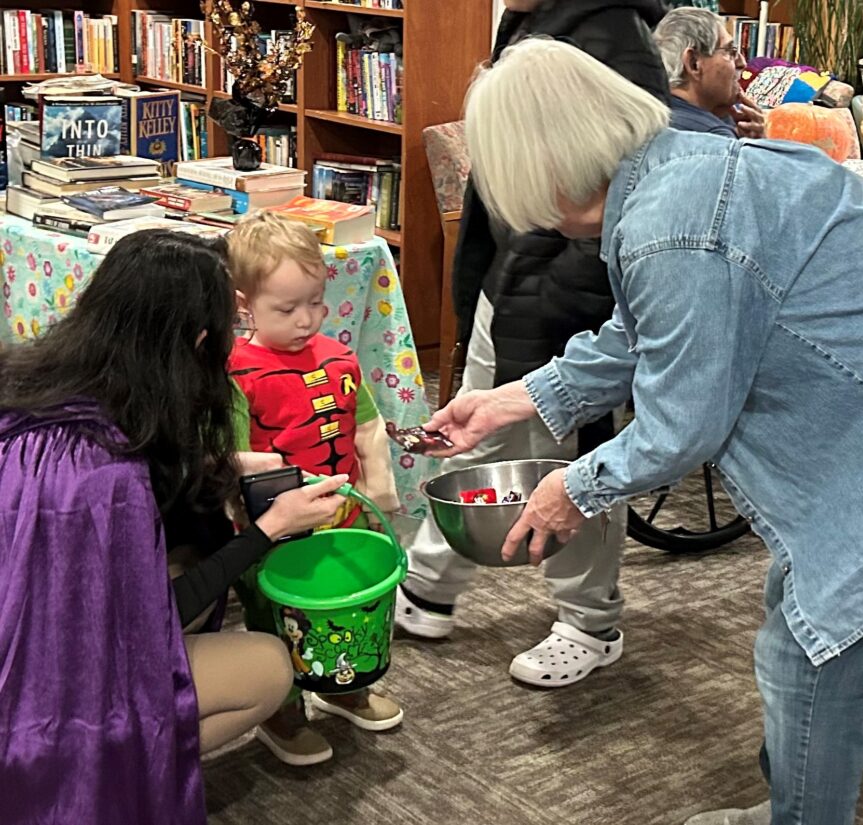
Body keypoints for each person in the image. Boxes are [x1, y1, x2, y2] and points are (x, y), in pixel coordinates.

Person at [428, 38, 863, 825]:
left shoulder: (670, 224)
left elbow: (681, 427)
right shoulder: (676, 168)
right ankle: (793, 804)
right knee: (804, 623)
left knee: (815, 663)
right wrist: (511, 401)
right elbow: (649, 335)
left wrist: (573, 487)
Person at [0, 231, 349, 822]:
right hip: (37, 717)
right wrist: (267, 530)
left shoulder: (47, 392)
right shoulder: (102, 481)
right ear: (197, 341)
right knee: (267, 665)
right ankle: (124, 770)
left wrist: (219, 464)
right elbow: (148, 619)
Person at [395, 0, 670, 688]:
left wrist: (555, 296)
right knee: (485, 430)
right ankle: (428, 582)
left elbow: (616, 205)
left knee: (568, 456)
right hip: (516, 280)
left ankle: (590, 618)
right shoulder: (533, 28)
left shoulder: (613, 39)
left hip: (558, 293)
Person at [227, 211, 403, 766]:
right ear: (244, 305)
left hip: (341, 518)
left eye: (316, 303)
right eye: (286, 309)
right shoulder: (236, 372)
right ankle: (281, 710)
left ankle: (341, 685)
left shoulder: (339, 357)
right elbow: (225, 459)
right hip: (271, 530)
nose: (306, 320)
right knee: (276, 619)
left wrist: (380, 495)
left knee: (341, 605)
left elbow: (368, 427)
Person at [653, 6, 765, 138]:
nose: (742, 63)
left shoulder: (645, 118)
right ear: (693, 63)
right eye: (730, 52)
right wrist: (757, 147)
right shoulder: (716, 138)